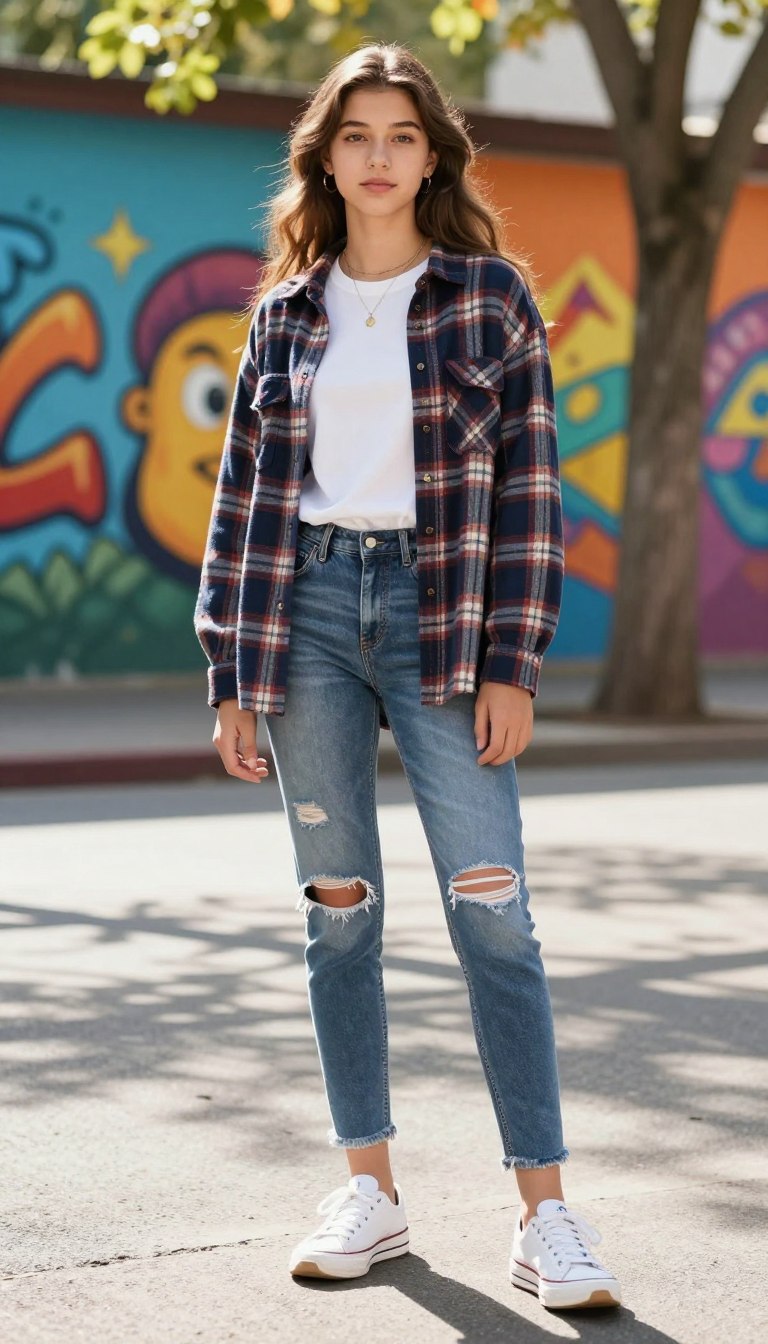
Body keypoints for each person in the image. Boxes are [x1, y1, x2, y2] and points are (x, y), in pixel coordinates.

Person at [194, 41, 622, 1313]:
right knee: (339, 916)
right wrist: (232, 666)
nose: (378, 157)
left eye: (401, 135)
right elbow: (244, 503)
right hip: (308, 615)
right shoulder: (285, 312)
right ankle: (370, 1191)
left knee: (495, 913)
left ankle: (547, 1214)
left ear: (433, 156)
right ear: (325, 156)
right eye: (356, 136)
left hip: (445, 618)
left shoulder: (489, 299)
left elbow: (534, 491)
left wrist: (515, 661)